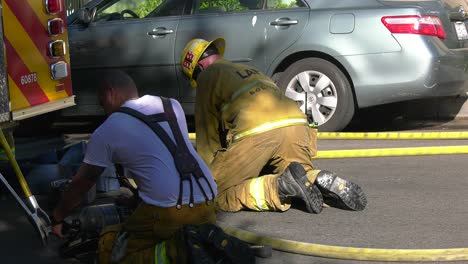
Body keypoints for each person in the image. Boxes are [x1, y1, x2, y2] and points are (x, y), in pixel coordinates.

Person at [50, 70, 221, 263]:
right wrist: (137, 200)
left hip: (170, 212)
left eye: (101, 102)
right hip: (208, 199)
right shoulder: (171, 105)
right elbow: (164, 162)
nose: (103, 109)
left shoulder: (107, 130)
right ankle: (196, 243)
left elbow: (81, 184)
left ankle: (182, 253)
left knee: (111, 249)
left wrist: (57, 218)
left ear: (109, 93)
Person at [180, 38, 367, 214]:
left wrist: (208, 175)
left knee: (214, 194)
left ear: (199, 67)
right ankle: (316, 178)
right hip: (297, 126)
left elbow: (208, 135)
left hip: (259, 132)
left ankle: (278, 188)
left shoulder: (208, 76)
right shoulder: (250, 71)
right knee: (299, 173)